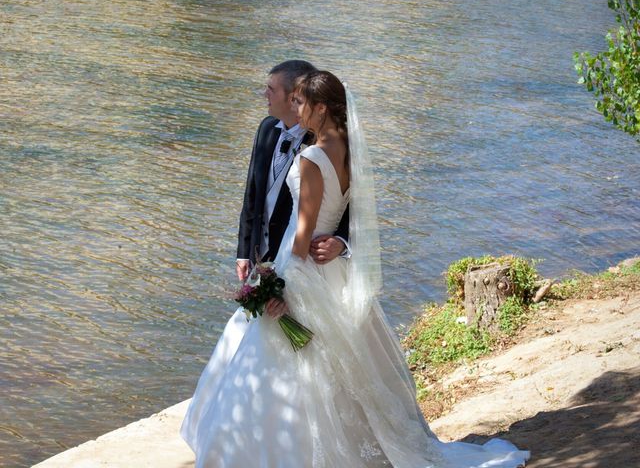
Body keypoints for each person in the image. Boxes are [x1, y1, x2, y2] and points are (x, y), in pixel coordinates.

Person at [181, 71, 530, 467]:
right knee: (341, 367)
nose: (297, 110)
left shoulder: (312, 158)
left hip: (304, 269)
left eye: (302, 103)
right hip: (334, 274)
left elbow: (303, 230)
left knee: (293, 366)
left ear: (321, 108)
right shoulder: (347, 147)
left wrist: (279, 284)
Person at [235, 60, 348, 283]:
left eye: (270, 89)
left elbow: (350, 201)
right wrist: (244, 251)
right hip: (259, 257)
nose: (263, 93)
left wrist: (342, 242)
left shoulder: (324, 146)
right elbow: (252, 194)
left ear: (292, 96)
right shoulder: (266, 128)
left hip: (299, 259)